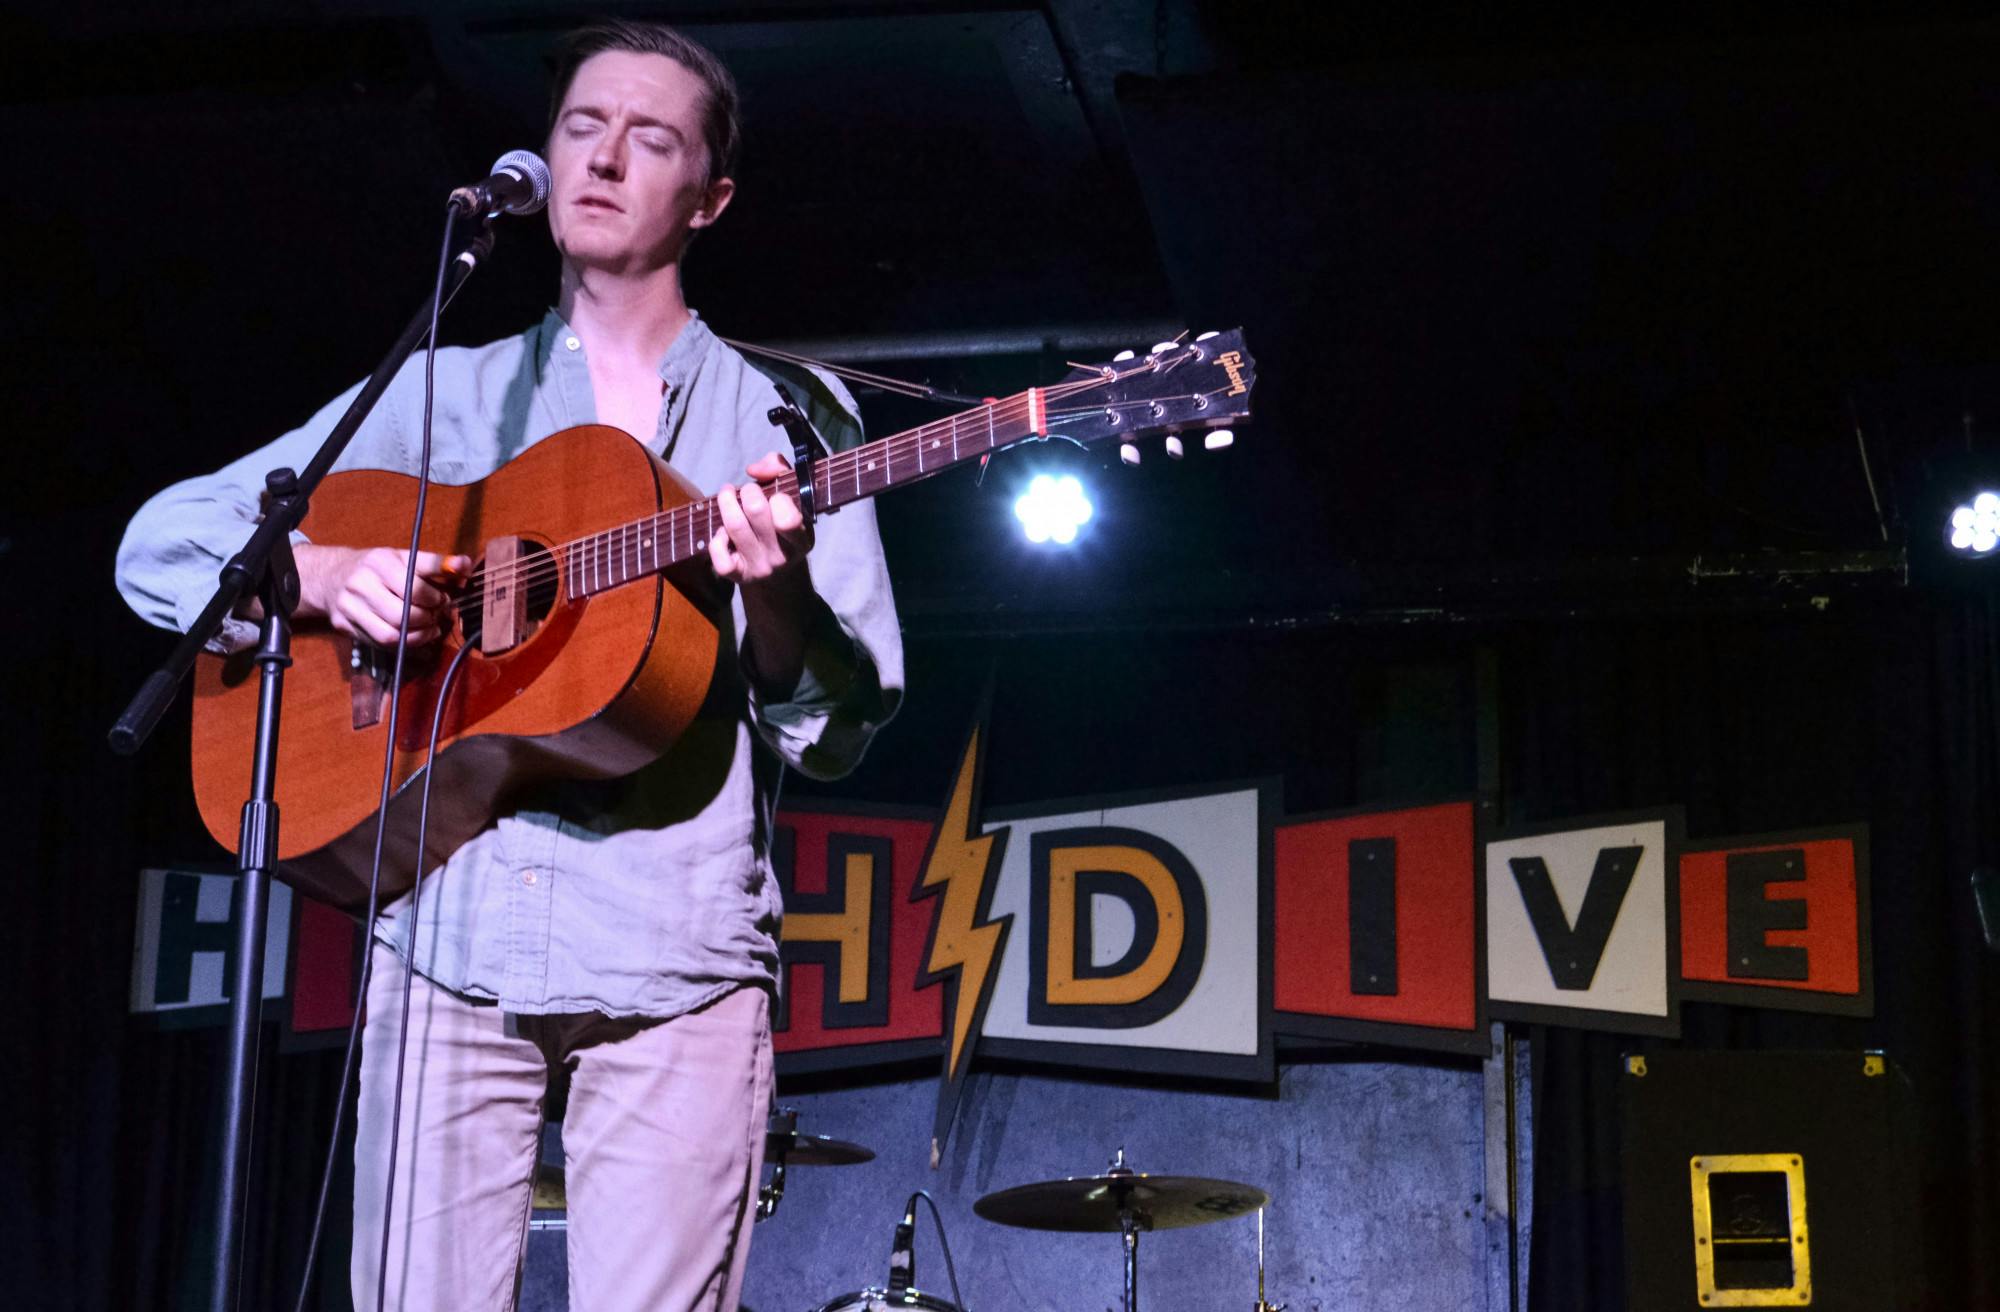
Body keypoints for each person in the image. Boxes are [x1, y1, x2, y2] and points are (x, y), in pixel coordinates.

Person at [114, 20, 902, 1312]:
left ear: (710, 198)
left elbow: (838, 721)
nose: (602, 159)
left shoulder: (789, 419)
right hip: (449, 943)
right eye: (582, 127)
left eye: (650, 140)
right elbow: (159, 548)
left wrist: (781, 593)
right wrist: (312, 575)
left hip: (676, 960)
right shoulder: (444, 395)